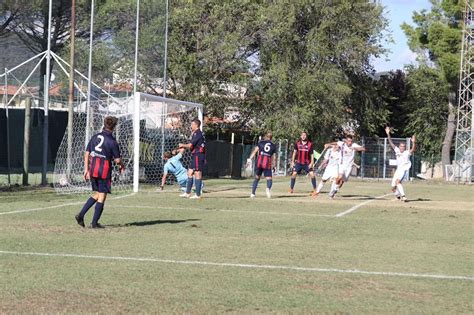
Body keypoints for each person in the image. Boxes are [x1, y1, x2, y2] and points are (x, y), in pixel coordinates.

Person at [75, 116, 124, 228]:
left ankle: (81, 215)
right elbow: (117, 160)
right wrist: (122, 164)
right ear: (114, 127)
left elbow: (87, 153)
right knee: (102, 196)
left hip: (93, 169)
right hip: (104, 171)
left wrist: (86, 170)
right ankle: (94, 223)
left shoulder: (95, 137)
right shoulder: (112, 142)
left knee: (97, 194)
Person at [385, 127, 416, 202]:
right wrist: (388, 134)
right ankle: (398, 197)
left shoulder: (406, 153)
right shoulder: (397, 150)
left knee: (397, 182)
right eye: (401, 146)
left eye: (403, 147)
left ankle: (404, 197)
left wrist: (414, 142)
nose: (402, 148)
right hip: (398, 170)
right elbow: (391, 142)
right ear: (399, 147)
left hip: (404, 170)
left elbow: (413, 149)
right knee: (393, 187)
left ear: (405, 148)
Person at [178, 119, 205, 199]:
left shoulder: (198, 133)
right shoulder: (195, 133)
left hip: (198, 155)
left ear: (196, 125)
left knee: (197, 173)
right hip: (194, 155)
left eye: (192, 124)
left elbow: (190, 145)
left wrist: (182, 145)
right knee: (189, 173)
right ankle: (187, 193)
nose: (191, 126)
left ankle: (197, 194)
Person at [247, 132, 277, 198]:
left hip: (260, 162)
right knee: (269, 179)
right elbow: (274, 157)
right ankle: (268, 189)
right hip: (267, 163)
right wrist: (274, 165)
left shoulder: (261, 143)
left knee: (257, 178)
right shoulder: (273, 145)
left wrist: (249, 159)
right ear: (271, 138)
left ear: (266, 136)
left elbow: (255, 151)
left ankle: (253, 193)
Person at [289, 132, 317, 196]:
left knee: (312, 174)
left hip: (307, 163)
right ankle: (291, 189)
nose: (303, 136)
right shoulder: (297, 143)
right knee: (294, 174)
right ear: (301, 136)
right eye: (302, 135)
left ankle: (315, 189)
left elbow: (312, 154)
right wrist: (292, 161)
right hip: (299, 163)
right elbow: (294, 153)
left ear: (306, 136)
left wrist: (312, 163)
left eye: (305, 135)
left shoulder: (310, 144)